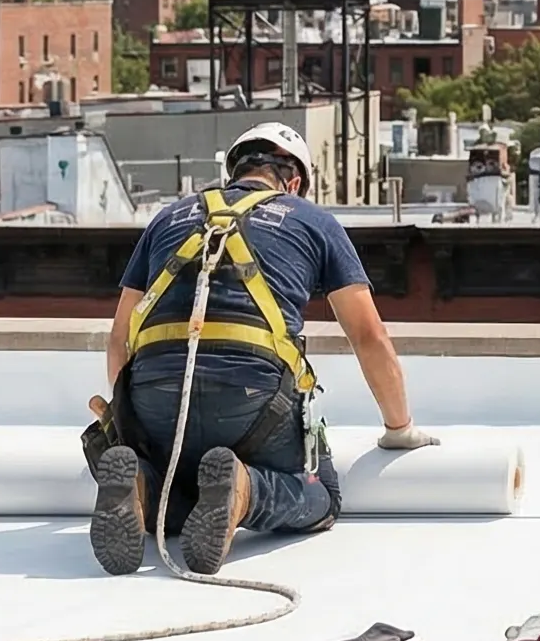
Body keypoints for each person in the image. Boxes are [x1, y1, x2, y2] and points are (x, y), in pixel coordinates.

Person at [91, 122, 435, 576]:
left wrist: (130, 429)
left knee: (182, 485)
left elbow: (120, 337)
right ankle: (246, 489)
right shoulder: (313, 221)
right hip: (252, 403)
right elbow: (368, 336)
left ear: (233, 171)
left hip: (155, 398)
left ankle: (140, 483)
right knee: (320, 495)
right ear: (294, 183)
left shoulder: (167, 219)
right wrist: (399, 427)